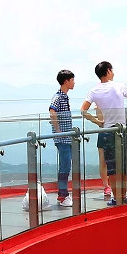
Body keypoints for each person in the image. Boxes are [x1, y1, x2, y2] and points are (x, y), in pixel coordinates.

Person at [80, 61, 127, 206]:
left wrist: (98, 122)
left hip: (108, 131)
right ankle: (124, 196)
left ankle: (116, 198)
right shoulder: (120, 86)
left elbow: (83, 111)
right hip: (123, 130)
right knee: (125, 166)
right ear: (108, 71)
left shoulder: (94, 91)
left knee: (113, 168)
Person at [48, 69, 76, 207]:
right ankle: (63, 196)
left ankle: (63, 194)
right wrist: (59, 131)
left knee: (65, 166)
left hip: (66, 137)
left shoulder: (63, 97)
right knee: (65, 166)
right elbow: (52, 112)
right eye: (72, 80)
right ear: (66, 81)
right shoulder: (58, 97)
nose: (74, 83)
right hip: (63, 138)